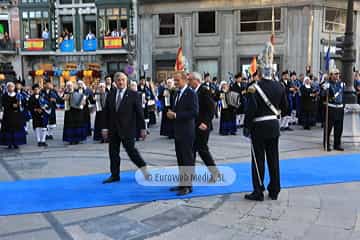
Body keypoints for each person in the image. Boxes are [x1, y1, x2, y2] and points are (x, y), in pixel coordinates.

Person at [243, 41, 288, 201]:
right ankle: (275, 189)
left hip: (259, 127)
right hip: (274, 126)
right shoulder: (280, 86)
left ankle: (258, 190)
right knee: (273, 159)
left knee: (258, 160)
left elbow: (251, 110)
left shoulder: (254, 87)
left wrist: (246, 127)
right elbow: (285, 107)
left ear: (260, 71)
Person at [101, 72, 150, 184]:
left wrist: (143, 128)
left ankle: (144, 169)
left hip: (128, 129)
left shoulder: (133, 94)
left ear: (126, 81)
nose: (121, 82)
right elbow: (106, 112)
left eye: (123, 80)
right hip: (113, 129)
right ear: (115, 82)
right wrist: (104, 128)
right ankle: (114, 175)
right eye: (118, 80)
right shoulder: (111, 94)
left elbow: (139, 113)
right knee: (113, 153)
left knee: (131, 152)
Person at [166, 71, 199, 196]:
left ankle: (188, 186)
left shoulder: (191, 93)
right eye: (174, 81)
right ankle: (182, 183)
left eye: (177, 80)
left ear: (185, 80)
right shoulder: (176, 93)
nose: (175, 83)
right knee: (180, 158)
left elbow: (194, 112)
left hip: (187, 131)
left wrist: (176, 115)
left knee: (187, 159)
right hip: (178, 131)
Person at [188, 72, 219, 181]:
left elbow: (211, 108)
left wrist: (205, 122)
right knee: (192, 150)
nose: (189, 82)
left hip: (203, 126)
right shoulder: (192, 92)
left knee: (202, 150)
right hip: (194, 126)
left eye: (190, 80)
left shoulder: (205, 91)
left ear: (196, 80)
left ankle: (214, 173)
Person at [323, 69, 345, 152]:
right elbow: (323, 96)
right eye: (335, 74)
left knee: (339, 128)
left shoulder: (342, 84)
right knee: (328, 128)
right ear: (331, 75)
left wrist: (344, 106)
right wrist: (325, 91)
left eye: (338, 74)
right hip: (331, 108)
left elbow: (343, 96)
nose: (337, 75)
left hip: (339, 108)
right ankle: (327, 144)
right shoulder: (327, 84)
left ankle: (337, 144)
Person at [0, 82, 27, 149]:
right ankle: (9, 143)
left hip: (16, 115)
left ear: (14, 87)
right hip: (8, 115)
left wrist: (19, 104)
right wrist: (12, 105)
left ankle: (16, 143)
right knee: (8, 129)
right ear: (7, 88)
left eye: (12, 87)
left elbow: (22, 103)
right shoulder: (4, 96)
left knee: (16, 129)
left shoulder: (18, 95)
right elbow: (3, 104)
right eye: (9, 87)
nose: (10, 88)